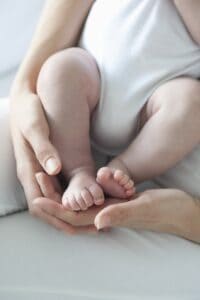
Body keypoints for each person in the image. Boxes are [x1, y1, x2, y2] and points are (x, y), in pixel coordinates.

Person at [9, 0, 200, 242]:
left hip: (157, 99)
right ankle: (79, 171)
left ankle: (123, 169)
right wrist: (24, 85)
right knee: (57, 70)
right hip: (93, 76)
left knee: (191, 104)